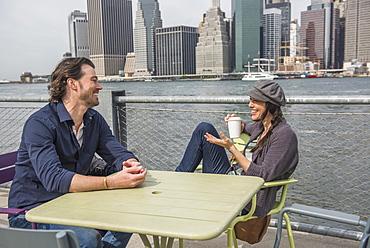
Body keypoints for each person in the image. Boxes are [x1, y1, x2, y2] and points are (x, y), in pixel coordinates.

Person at [8, 57, 147, 248]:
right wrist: (110, 182)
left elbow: (117, 153)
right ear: (72, 83)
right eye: (94, 80)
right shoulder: (40, 124)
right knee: (88, 239)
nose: (99, 87)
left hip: (71, 204)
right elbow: (54, 178)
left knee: (132, 213)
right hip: (30, 213)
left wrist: (130, 164)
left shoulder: (93, 119)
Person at [175, 80, 298, 219]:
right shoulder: (261, 126)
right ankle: (176, 180)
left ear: (270, 105)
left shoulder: (284, 135)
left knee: (190, 193)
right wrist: (238, 123)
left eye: (256, 101)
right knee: (204, 128)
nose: (250, 105)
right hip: (230, 180)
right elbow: (247, 126)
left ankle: (174, 188)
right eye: (251, 100)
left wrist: (232, 148)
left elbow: (262, 175)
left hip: (248, 197)